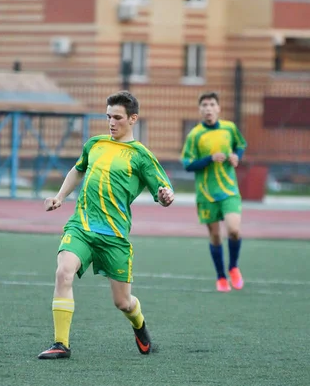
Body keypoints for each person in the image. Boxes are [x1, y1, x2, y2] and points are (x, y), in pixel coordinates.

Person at [38, 91, 175, 360]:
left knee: (122, 302)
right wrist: (59, 197)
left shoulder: (141, 156)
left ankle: (139, 325)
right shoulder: (95, 144)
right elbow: (78, 169)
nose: (111, 122)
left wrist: (165, 197)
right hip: (81, 226)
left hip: (114, 236)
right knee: (63, 272)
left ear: (133, 119)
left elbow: (163, 190)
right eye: (108, 117)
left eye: (118, 117)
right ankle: (61, 344)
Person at [181, 91, 247, 292]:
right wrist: (209, 158)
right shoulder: (195, 135)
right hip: (207, 194)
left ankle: (233, 267)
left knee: (234, 230)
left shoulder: (229, 128)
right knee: (216, 237)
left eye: (211, 104)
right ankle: (220, 277)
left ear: (218, 108)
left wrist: (236, 156)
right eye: (204, 105)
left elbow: (241, 145)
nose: (208, 108)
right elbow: (187, 164)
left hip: (229, 190)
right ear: (200, 109)